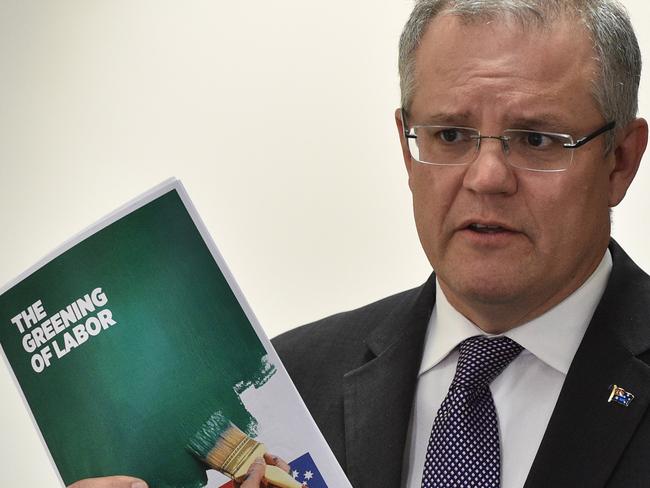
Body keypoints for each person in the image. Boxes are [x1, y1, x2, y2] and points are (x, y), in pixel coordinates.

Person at [72, 0, 649, 486]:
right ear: (405, 146)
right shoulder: (287, 388)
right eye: (450, 134)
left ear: (620, 160)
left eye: (537, 139)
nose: (486, 177)